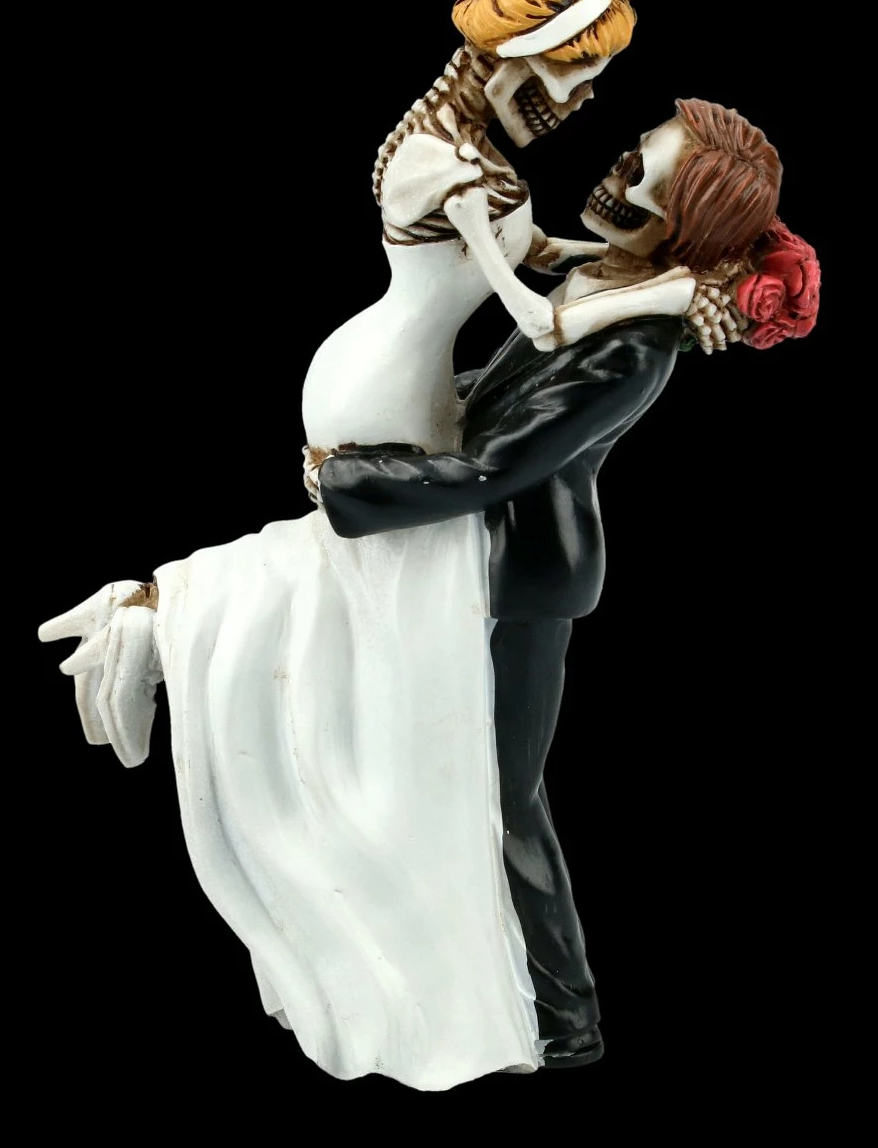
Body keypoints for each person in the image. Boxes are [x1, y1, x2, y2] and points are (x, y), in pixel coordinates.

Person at [39, 0, 651, 1091]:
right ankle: (171, 626)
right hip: (382, 396)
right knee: (384, 633)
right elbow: (533, 314)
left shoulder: (478, 146)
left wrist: (643, 269)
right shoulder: (443, 163)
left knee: (387, 642)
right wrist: (669, 285)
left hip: (422, 393)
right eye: (576, 77)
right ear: (514, 60)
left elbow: (546, 256)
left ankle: (162, 616)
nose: (583, 104)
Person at [309, 97, 820, 1065]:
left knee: (503, 793)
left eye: (641, 183)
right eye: (630, 154)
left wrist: (349, 479)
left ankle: (564, 1018)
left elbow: (496, 467)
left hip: (522, 572)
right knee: (435, 764)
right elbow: (497, 400)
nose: (613, 177)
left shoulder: (631, 344)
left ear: (681, 227)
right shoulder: (605, 276)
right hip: (475, 552)